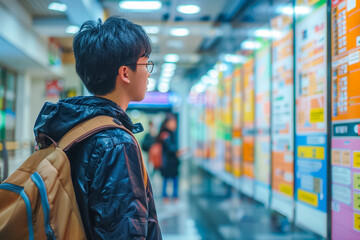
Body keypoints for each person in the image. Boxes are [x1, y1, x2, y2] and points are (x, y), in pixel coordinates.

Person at [33, 17, 162, 239]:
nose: (148, 72)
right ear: (125, 73)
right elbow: (124, 232)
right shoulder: (116, 143)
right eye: (145, 63)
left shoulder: (68, 129)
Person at [157, 115, 180, 201]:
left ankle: (174, 195)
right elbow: (170, 147)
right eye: (172, 122)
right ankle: (165, 196)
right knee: (167, 179)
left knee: (174, 179)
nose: (174, 124)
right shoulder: (165, 134)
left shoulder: (172, 133)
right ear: (167, 123)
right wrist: (177, 151)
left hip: (173, 162)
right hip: (167, 161)